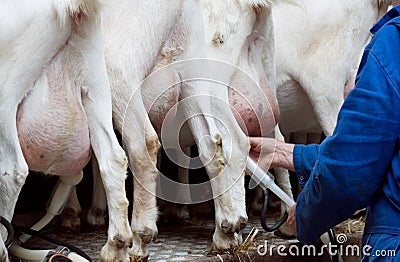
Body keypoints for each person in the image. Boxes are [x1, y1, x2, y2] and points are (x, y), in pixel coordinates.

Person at [250, 6, 400, 261]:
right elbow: (375, 152)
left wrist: (306, 214)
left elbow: (350, 170)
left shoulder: (394, 45)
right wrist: (287, 154)